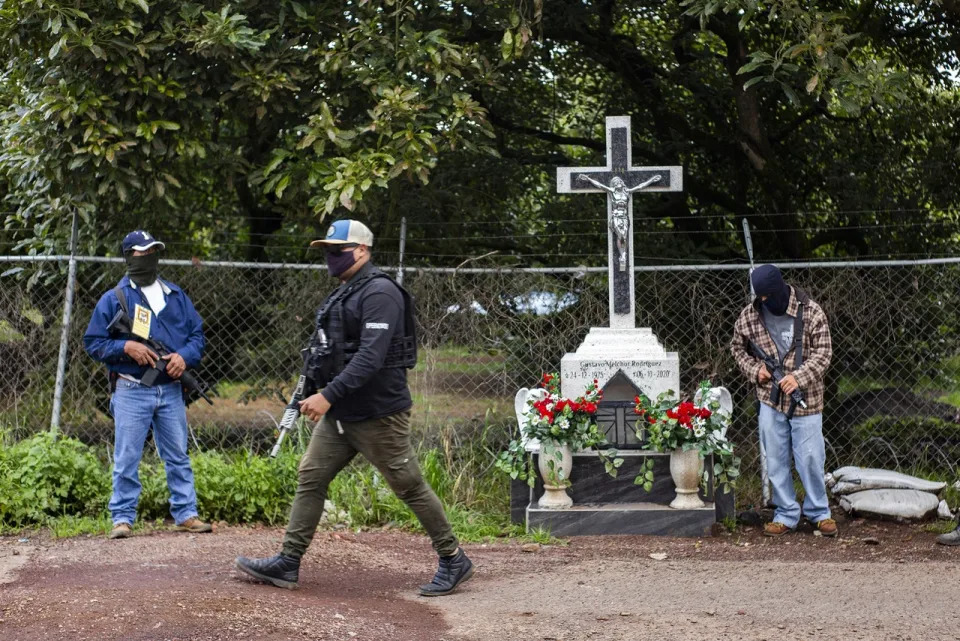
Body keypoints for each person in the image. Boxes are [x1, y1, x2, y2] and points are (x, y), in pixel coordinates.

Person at [234, 219, 474, 596]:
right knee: (311, 476)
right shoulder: (346, 291)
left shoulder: (380, 292)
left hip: (378, 413)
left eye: (337, 250)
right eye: (327, 250)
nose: (331, 257)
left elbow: (370, 357)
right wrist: (314, 389)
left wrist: (328, 395)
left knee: (408, 486)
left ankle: (453, 558)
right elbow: (331, 350)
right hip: (342, 413)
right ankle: (288, 561)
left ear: (362, 250)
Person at [83, 230, 211, 539]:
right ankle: (122, 518)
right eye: (141, 253)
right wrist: (126, 348)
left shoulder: (176, 296)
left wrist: (184, 357)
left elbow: (198, 336)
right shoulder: (114, 299)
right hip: (130, 389)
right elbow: (93, 342)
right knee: (127, 457)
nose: (148, 257)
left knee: (177, 454)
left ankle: (186, 513)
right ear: (129, 257)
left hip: (170, 390)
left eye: (153, 251)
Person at [730, 264, 837, 537]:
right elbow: (737, 348)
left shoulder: (811, 312)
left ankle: (819, 512)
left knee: (811, 457)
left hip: (807, 398)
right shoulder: (750, 316)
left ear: (779, 289)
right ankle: (786, 513)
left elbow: (824, 354)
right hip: (769, 399)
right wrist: (757, 372)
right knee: (775, 458)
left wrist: (798, 378)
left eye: (768, 297)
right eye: (761, 298)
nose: (765, 303)